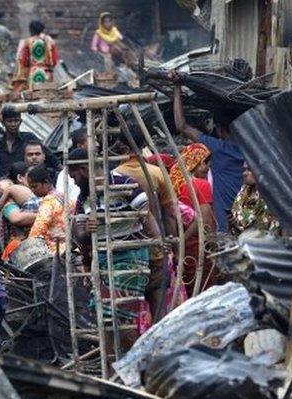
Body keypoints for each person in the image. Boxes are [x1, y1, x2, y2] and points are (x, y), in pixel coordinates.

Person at [69, 148, 157, 340]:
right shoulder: (84, 197)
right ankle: (112, 368)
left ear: (84, 170)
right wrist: (87, 230)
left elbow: (147, 217)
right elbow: (80, 234)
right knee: (104, 320)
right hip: (101, 261)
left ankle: (130, 365)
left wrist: (161, 250)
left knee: (124, 317)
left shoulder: (124, 184)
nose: (74, 182)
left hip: (129, 258)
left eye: (74, 176)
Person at [112, 131, 179, 320]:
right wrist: (172, 245)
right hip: (156, 248)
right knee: (159, 309)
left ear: (121, 147)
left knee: (126, 313)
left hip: (127, 251)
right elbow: (170, 213)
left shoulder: (115, 176)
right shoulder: (157, 173)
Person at [171, 73, 245, 231]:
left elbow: (182, 126)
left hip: (225, 223)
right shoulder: (254, 150)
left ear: (219, 129)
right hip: (246, 220)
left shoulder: (220, 148)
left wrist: (177, 88)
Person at [167, 144, 217, 295]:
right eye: (206, 164)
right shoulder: (201, 185)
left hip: (182, 248)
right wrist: (214, 247)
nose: (208, 169)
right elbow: (206, 221)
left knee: (188, 291)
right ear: (199, 162)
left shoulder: (175, 184)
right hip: (198, 246)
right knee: (205, 292)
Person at [0, 163, 39, 260]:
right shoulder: (9, 202)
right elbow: (16, 218)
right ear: (20, 178)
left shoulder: (35, 196)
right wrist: (47, 214)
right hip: (21, 250)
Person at [0, 107, 40, 178]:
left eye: (16, 120)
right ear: (3, 123)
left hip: (23, 185)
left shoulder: (29, 138)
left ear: (20, 122)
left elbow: (47, 155)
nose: (13, 124)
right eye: (9, 121)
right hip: (3, 186)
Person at [25, 165, 70, 253]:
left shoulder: (48, 202)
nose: (33, 191)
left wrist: (28, 247)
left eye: (35, 186)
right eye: (31, 187)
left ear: (46, 183)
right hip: (70, 246)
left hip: (55, 251)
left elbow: (37, 231)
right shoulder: (62, 196)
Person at [230, 164, 281, 235]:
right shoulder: (243, 192)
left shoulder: (270, 197)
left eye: (250, 170)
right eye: (244, 170)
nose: (245, 173)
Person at [15, 20, 59, 90]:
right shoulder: (50, 41)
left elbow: (24, 62)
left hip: (33, 74)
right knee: (47, 95)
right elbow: (54, 61)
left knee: (34, 96)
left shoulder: (27, 42)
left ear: (31, 30)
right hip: (47, 74)